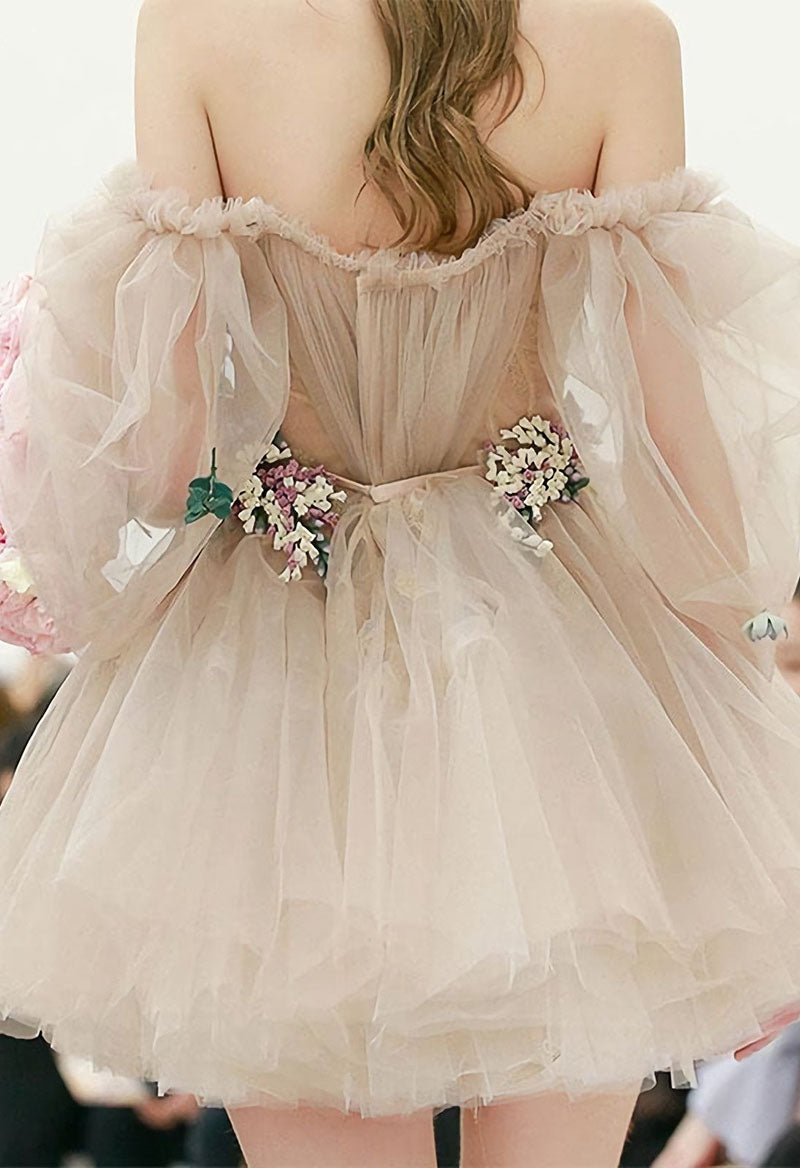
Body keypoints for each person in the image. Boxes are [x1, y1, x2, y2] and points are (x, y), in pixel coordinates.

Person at [0, 0, 799, 1165]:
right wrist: (742, 723)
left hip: (278, 658)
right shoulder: (623, 39)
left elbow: (169, 463)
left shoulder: (195, 30)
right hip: (548, 655)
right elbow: (675, 445)